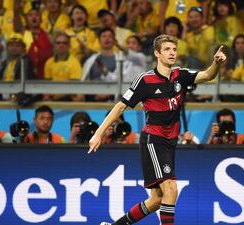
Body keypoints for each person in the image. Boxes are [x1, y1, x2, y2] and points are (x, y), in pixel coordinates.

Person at [89, 34, 226, 225]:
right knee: (171, 189)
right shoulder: (145, 81)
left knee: (156, 200)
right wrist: (98, 133)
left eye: (174, 49)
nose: (172, 53)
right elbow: (120, 106)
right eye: (167, 49)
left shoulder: (181, 75)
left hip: (170, 142)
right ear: (157, 53)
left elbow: (208, 75)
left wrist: (216, 63)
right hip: (153, 140)